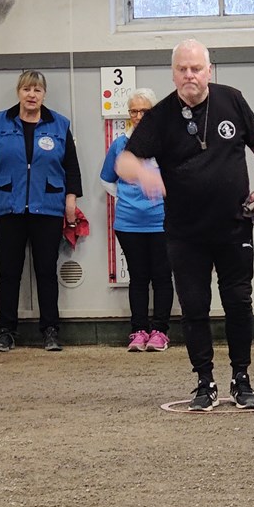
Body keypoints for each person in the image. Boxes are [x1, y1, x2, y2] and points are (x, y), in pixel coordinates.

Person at [116, 38, 254, 411]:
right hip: (185, 233)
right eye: (182, 69)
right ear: (173, 74)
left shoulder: (232, 100)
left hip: (234, 226)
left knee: (239, 301)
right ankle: (205, 382)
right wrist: (142, 173)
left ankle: (241, 379)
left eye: (196, 68)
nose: (189, 75)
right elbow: (124, 161)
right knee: (194, 307)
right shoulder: (160, 116)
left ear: (209, 71)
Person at [0, 70, 82, 351]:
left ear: (44, 94)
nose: (31, 95)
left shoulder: (59, 124)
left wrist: (71, 200)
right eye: (26, 89)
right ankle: (6, 330)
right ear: (18, 92)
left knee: (46, 271)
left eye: (37, 90)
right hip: (9, 207)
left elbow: (71, 167)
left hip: (48, 207)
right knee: (9, 272)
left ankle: (51, 330)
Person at [100, 88, 173, 352]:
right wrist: (128, 196)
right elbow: (106, 180)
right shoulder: (120, 145)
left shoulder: (166, 143)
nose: (139, 116)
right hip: (129, 223)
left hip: (162, 222)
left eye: (145, 111)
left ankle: (160, 331)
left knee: (162, 276)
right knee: (138, 277)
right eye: (134, 111)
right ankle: (139, 330)